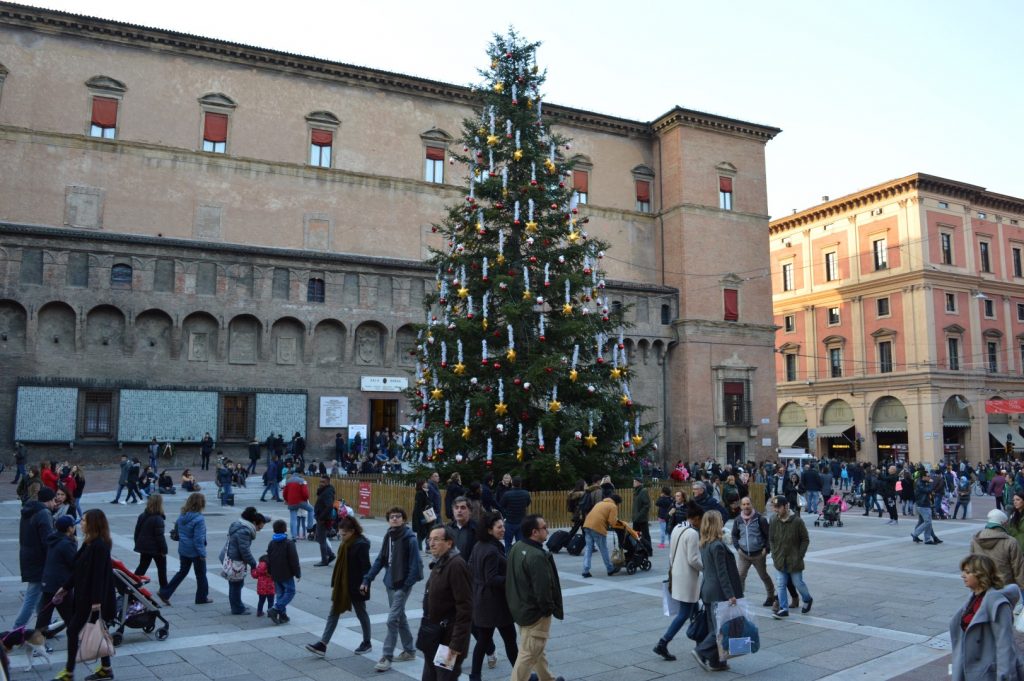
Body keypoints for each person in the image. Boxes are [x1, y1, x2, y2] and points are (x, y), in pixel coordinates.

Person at [50, 509, 116, 681]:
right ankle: (106, 668)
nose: (81, 523)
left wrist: (96, 603)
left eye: (84, 520)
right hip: (83, 596)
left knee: (73, 631)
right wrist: (65, 588)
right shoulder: (89, 543)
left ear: (93, 523)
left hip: (92, 599)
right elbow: (78, 568)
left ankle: (69, 672)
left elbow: (98, 577)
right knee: (98, 631)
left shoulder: (99, 546)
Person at [362, 506, 422, 672]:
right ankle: (409, 650)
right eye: (392, 517)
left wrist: (405, 586)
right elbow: (381, 559)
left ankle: (386, 657)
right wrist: (368, 578)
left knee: (392, 619)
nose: (395, 519)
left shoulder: (410, 538)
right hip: (390, 582)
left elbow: (415, 565)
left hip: (402, 584)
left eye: (398, 516)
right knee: (399, 616)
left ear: (403, 519)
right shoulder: (389, 535)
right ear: (388, 520)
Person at [506, 514, 565, 681]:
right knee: (528, 653)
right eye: (544, 528)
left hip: (521, 609)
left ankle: (547, 678)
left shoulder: (517, 547)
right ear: (534, 532)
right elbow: (543, 589)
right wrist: (548, 609)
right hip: (535, 613)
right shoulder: (537, 556)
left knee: (536, 648)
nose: (547, 530)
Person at [306, 515, 373, 657]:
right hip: (343, 586)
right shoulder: (345, 544)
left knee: (361, 613)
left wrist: (365, 583)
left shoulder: (361, 544)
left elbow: (366, 567)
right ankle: (323, 644)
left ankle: (367, 642)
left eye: (344, 534)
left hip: (357, 586)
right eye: (340, 533)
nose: (342, 537)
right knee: (333, 613)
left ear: (353, 531)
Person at [950, 554, 1023, 681]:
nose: (963, 576)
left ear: (980, 574)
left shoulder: (996, 602)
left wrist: (1005, 676)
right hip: (970, 667)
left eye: (967, 572)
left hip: (987, 672)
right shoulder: (974, 596)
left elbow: (1004, 643)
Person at [417, 526, 473, 680]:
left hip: (447, 641)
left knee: (444, 678)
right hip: (433, 635)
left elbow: (465, 608)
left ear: (449, 543)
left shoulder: (456, 565)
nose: (431, 543)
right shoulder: (440, 561)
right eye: (430, 539)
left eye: (436, 539)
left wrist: (455, 644)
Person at [468, 512, 517, 681]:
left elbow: (471, 569)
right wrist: (512, 578)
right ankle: (521, 675)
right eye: (499, 527)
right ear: (489, 530)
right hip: (495, 603)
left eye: (503, 526)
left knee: (483, 641)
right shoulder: (491, 550)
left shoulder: (480, 545)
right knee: (510, 640)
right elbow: (491, 578)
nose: (503, 529)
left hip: (483, 601)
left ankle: (475, 676)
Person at [692, 510, 742, 673]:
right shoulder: (718, 546)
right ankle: (701, 651)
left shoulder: (705, 543)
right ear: (715, 523)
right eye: (720, 520)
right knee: (720, 628)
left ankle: (716, 662)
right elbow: (722, 574)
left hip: (707, 590)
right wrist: (731, 595)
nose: (722, 522)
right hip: (718, 593)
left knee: (713, 626)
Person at [653, 503, 703, 662]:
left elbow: (671, 552)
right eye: (701, 520)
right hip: (687, 576)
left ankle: (700, 645)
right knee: (685, 613)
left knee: (695, 610)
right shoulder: (693, 533)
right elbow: (693, 559)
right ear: (696, 518)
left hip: (676, 573)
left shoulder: (677, 527)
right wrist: (706, 567)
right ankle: (663, 642)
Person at [15, 487, 58, 629]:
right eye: (54, 500)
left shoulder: (30, 510)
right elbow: (48, 540)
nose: (55, 504)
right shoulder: (44, 513)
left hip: (29, 557)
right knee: (32, 597)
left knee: (41, 596)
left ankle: (43, 625)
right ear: (50, 500)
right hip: (39, 561)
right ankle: (16, 630)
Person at [159, 492, 212, 606]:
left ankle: (165, 592)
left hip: (183, 549)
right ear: (201, 504)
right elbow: (198, 539)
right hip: (195, 551)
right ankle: (201, 597)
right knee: (201, 574)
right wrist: (202, 553)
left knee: (182, 572)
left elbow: (178, 530)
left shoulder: (182, 515)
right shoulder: (199, 519)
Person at [32, 515, 77, 647]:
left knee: (45, 614)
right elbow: (74, 563)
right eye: (73, 525)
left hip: (48, 582)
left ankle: (36, 641)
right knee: (70, 615)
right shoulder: (66, 543)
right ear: (69, 528)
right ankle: (78, 641)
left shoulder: (53, 539)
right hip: (60, 585)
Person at [769, 495, 813, 619]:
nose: (776, 510)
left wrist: (800, 555)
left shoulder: (797, 521)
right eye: (774, 507)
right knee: (781, 584)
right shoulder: (773, 520)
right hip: (780, 559)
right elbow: (771, 538)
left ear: (786, 506)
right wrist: (774, 553)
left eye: (778, 507)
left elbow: (805, 539)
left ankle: (807, 599)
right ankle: (784, 608)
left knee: (798, 583)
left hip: (794, 560)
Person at [731, 496, 775, 607]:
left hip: (758, 554)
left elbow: (768, 535)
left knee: (763, 575)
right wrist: (737, 548)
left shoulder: (760, 519)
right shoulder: (738, 520)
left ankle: (771, 596)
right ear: (741, 506)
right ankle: (740, 597)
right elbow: (734, 535)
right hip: (743, 554)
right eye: (744, 504)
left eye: (748, 504)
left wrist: (766, 548)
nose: (746, 506)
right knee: (740, 576)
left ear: (751, 505)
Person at [224, 507, 267, 615]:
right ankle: (237, 608)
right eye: (259, 527)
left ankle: (237, 605)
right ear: (254, 522)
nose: (259, 530)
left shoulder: (240, 525)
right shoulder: (245, 531)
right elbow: (244, 551)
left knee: (235, 584)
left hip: (232, 557)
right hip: (236, 560)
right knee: (236, 585)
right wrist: (253, 564)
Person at [969, 509, 1024, 588]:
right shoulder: (1010, 541)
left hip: (982, 583)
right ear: (1003, 523)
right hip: (1004, 585)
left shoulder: (975, 539)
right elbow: (1018, 567)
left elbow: (972, 563)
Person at [266, 519, 300, 624]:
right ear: (285, 529)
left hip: (275, 573)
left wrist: (270, 571)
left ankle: (283, 616)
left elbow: (268, 558)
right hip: (286, 573)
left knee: (280, 594)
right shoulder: (289, 543)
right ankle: (275, 609)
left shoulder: (271, 543)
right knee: (290, 591)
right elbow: (294, 560)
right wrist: (297, 573)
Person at [582, 494, 623, 578]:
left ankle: (585, 570)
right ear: (617, 502)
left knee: (588, 548)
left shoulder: (599, 503)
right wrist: (621, 525)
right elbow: (612, 522)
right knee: (603, 549)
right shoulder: (613, 506)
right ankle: (610, 569)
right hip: (597, 528)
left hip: (587, 525)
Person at [133, 493, 169, 591]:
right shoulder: (158, 518)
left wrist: (138, 543)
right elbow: (160, 537)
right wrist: (164, 550)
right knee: (161, 568)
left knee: (142, 566)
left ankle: (133, 583)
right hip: (156, 548)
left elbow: (137, 532)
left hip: (144, 547)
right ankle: (164, 588)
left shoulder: (143, 515)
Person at [282, 470, 316, 540]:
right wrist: (306, 499)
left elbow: (284, 493)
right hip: (301, 501)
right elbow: (305, 493)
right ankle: (309, 527)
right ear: (299, 474)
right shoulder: (302, 480)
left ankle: (294, 536)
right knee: (311, 509)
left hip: (292, 502)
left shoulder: (288, 481)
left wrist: (287, 500)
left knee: (293, 519)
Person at [500, 477, 532, 549]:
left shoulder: (507, 494)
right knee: (520, 544)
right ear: (520, 484)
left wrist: (505, 514)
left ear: (512, 483)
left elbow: (501, 505)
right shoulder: (526, 493)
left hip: (509, 522)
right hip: (521, 522)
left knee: (507, 543)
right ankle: (519, 559)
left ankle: (508, 558)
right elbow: (527, 503)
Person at [911, 472, 943, 545]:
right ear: (923, 477)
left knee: (923, 522)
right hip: (923, 505)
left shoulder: (922, 482)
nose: (929, 477)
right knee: (928, 522)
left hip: (923, 505)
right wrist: (931, 483)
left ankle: (932, 538)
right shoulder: (920, 484)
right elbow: (927, 490)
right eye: (928, 476)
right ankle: (916, 535)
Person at [313, 476, 337, 566]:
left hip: (323, 519)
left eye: (323, 482)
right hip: (322, 518)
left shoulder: (328, 492)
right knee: (319, 538)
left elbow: (329, 506)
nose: (321, 483)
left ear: (328, 482)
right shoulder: (324, 491)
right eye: (320, 482)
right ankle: (330, 555)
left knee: (321, 540)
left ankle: (324, 560)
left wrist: (322, 517)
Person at [413, 478, 435, 551]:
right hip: (422, 516)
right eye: (425, 482)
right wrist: (421, 518)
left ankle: (420, 547)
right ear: (421, 484)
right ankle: (418, 548)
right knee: (422, 533)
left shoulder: (425, 492)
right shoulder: (419, 493)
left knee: (426, 532)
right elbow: (418, 507)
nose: (426, 483)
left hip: (427, 515)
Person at [632, 477, 652, 552]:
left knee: (645, 535)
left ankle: (649, 550)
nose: (633, 483)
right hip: (636, 518)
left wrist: (640, 514)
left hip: (642, 518)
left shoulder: (643, 491)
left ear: (639, 482)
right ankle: (637, 549)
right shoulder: (636, 491)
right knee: (635, 535)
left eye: (634, 482)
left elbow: (647, 505)